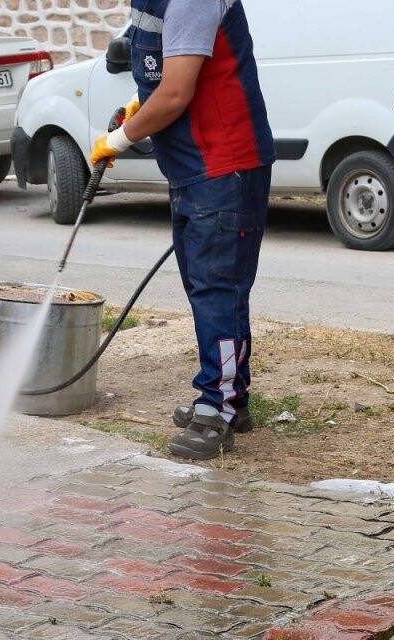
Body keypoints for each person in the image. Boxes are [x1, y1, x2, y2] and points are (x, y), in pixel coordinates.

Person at [90, 0, 274, 460]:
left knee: (217, 290)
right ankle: (232, 396)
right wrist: (138, 108)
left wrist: (121, 137)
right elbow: (162, 71)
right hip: (194, 167)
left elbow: (175, 93)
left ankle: (219, 407)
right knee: (206, 287)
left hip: (223, 166)